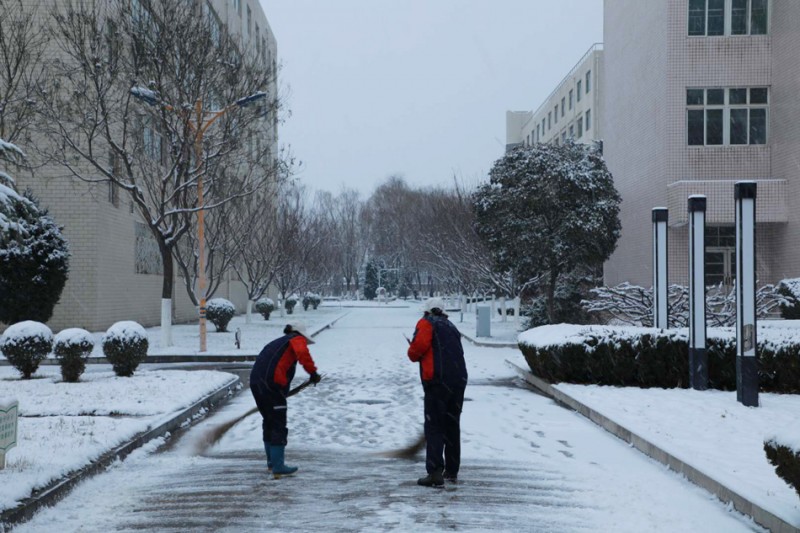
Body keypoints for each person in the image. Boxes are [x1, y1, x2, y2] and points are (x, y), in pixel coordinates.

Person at [407, 297, 468, 487]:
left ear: (427, 311)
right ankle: (451, 470)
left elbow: (416, 351)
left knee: (435, 426)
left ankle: (434, 473)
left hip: (438, 381)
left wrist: (412, 348)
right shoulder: (450, 326)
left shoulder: (426, 323)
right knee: (451, 425)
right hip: (458, 380)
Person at [250, 320, 321, 478]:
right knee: (278, 422)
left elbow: (277, 366)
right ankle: (278, 465)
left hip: (256, 382)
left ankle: (271, 462)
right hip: (271, 384)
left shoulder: (278, 343)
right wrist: (313, 374)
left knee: (269, 420)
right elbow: (303, 355)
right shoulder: (296, 339)